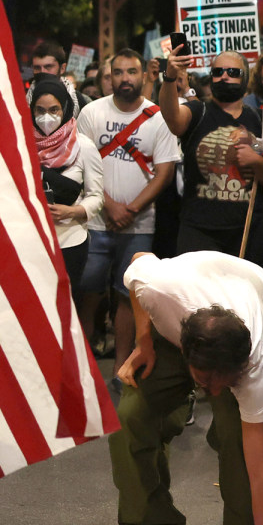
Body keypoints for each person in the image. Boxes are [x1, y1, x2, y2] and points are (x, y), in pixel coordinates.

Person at [111, 251, 263, 525]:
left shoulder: (255, 368)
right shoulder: (161, 290)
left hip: (246, 321)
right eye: (203, 382)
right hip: (186, 324)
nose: (212, 390)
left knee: (240, 442)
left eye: (219, 382)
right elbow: (138, 260)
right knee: (130, 415)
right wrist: (144, 340)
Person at [75, 49, 181, 375]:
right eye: (118, 72)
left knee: (128, 299)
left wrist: (131, 210)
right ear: (110, 76)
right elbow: (82, 166)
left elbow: (164, 173)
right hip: (94, 221)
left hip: (140, 225)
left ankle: (122, 369)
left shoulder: (159, 116)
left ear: (144, 76)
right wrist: (109, 205)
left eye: (131, 72)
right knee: (87, 295)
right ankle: (82, 370)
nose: (125, 79)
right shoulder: (92, 113)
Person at [157, 51, 263, 264]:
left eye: (232, 72)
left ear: (245, 78)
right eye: (218, 72)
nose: (224, 76)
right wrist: (169, 78)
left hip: (246, 232)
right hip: (198, 232)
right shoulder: (198, 111)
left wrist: (256, 161)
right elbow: (172, 117)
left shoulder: (261, 121)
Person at [29, 74, 101, 298]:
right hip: (32, 241)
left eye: (54, 110)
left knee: (66, 305)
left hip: (70, 240)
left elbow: (96, 196)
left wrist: (72, 211)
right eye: (40, 111)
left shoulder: (84, 146)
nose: (46, 117)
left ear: (66, 108)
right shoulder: (22, 145)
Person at [30, 40, 89, 109]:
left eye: (48, 67)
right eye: (37, 68)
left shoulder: (79, 100)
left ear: (62, 68)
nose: (42, 72)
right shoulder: (22, 98)